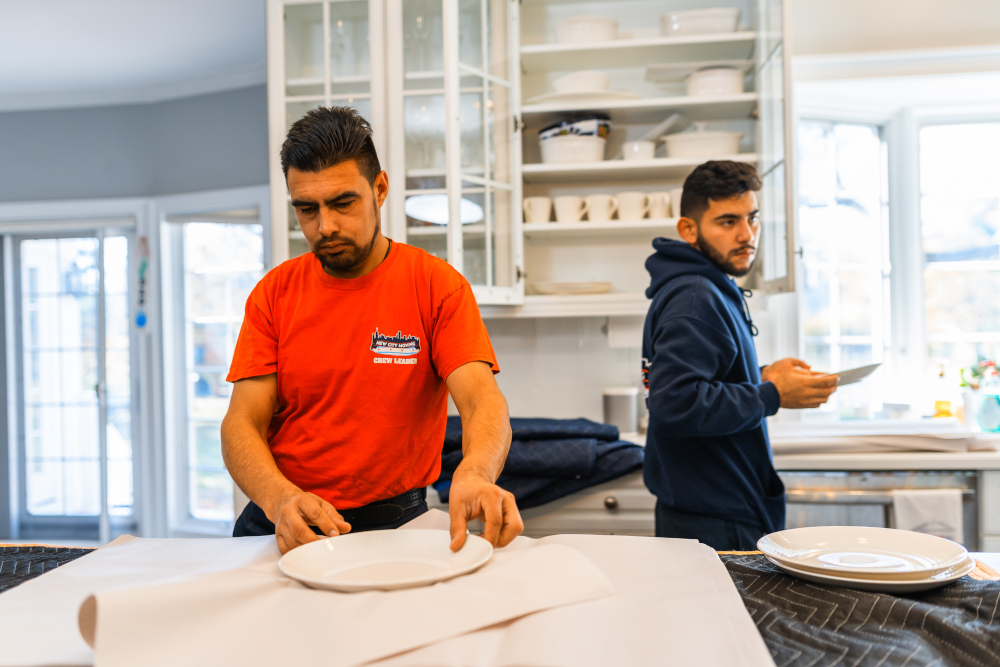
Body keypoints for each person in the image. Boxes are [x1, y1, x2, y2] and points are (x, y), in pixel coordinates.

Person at [221, 106, 523, 554]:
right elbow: (241, 423)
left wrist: (475, 473)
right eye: (307, 209)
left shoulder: (436, 287)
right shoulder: (274, 293)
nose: (325, 226)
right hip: (284, 519)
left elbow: (483, 401)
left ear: (379, 189)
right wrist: (279, 498)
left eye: (343, 203)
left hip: (396, 526)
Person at [641, 160, 838, 551]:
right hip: (714, 519)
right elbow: (675, 403)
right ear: (688, 229)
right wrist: (773, 394)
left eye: (753, 218)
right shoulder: (695, 297)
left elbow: (703, 380)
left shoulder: (705, 287)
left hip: (715, 508)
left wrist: (762, 375)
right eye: (728, 221)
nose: (747, 234)